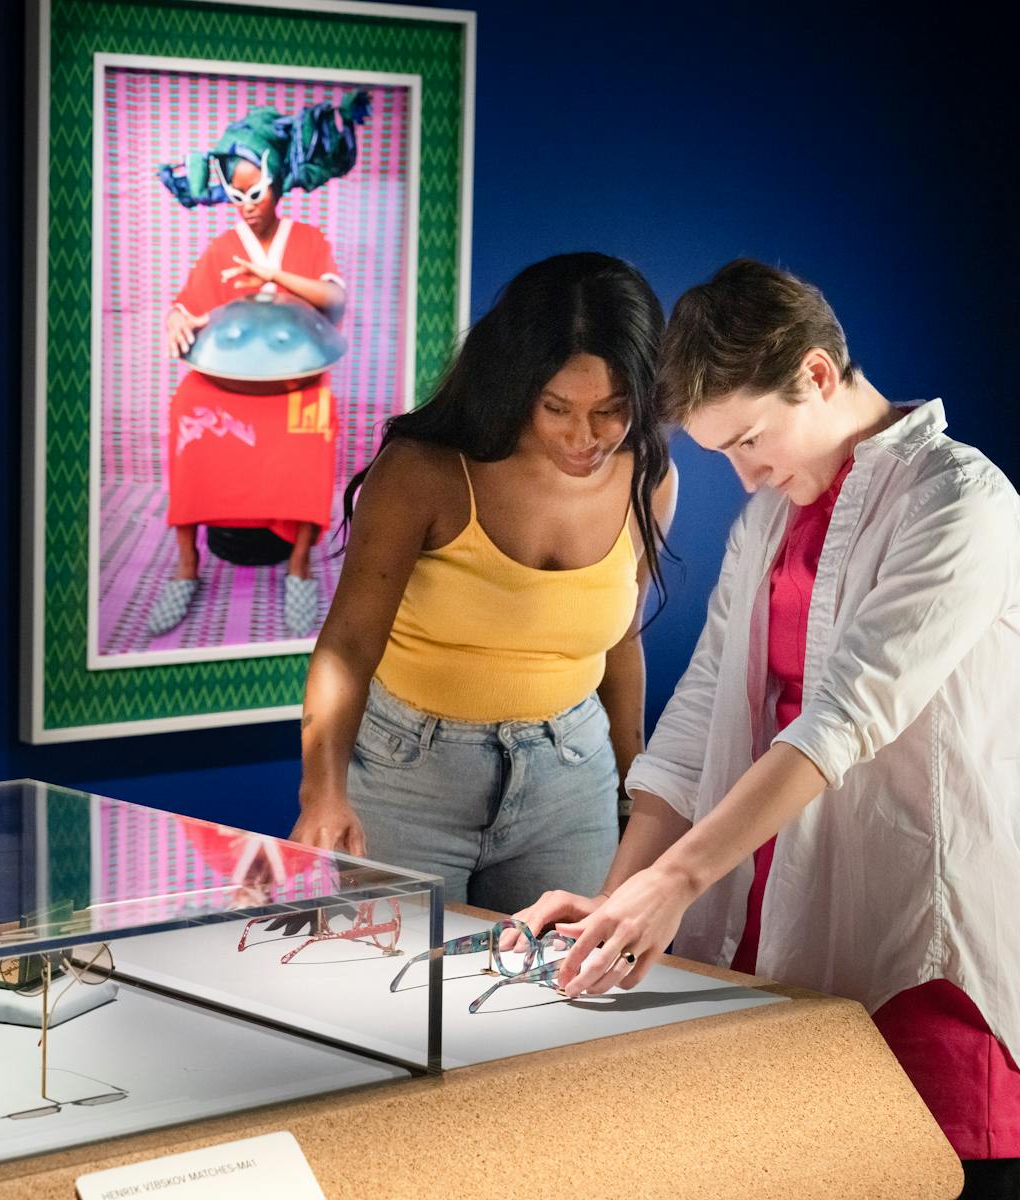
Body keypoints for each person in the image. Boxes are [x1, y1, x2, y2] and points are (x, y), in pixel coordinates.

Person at [512, 260, 1020, 1195]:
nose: (746, 473)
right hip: (763, 906)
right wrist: (616, 900)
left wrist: (672, 881)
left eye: (750, 440)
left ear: (819, 376)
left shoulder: (960, 503)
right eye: (726, 454)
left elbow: (842, 718)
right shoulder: (770, 520)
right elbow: (699, 713)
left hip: (914, 934)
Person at [289, 252, 678, 913]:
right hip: (411, 777)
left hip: (573, 778)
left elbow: (620, 643)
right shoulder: (424, 473)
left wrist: (631, 790)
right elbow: (348, 644)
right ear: (517, 384)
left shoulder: (650, 479)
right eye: (557, 407)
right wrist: (321, 794)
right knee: (390, 998)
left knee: (563, 1002)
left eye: (612, 410)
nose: (585, 438)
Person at [149, 92, 369, 638]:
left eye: (255, 189)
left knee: (314, 421)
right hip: (227, 383)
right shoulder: (223, 246)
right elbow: (188, 303)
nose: (245, 202)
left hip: (296, 383)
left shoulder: (309, 241)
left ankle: (297, 568)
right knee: (187, 409)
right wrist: (175, 317)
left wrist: (274, 278)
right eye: (234, 192)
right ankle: (186, 567)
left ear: (279, 181)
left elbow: (334, 302)